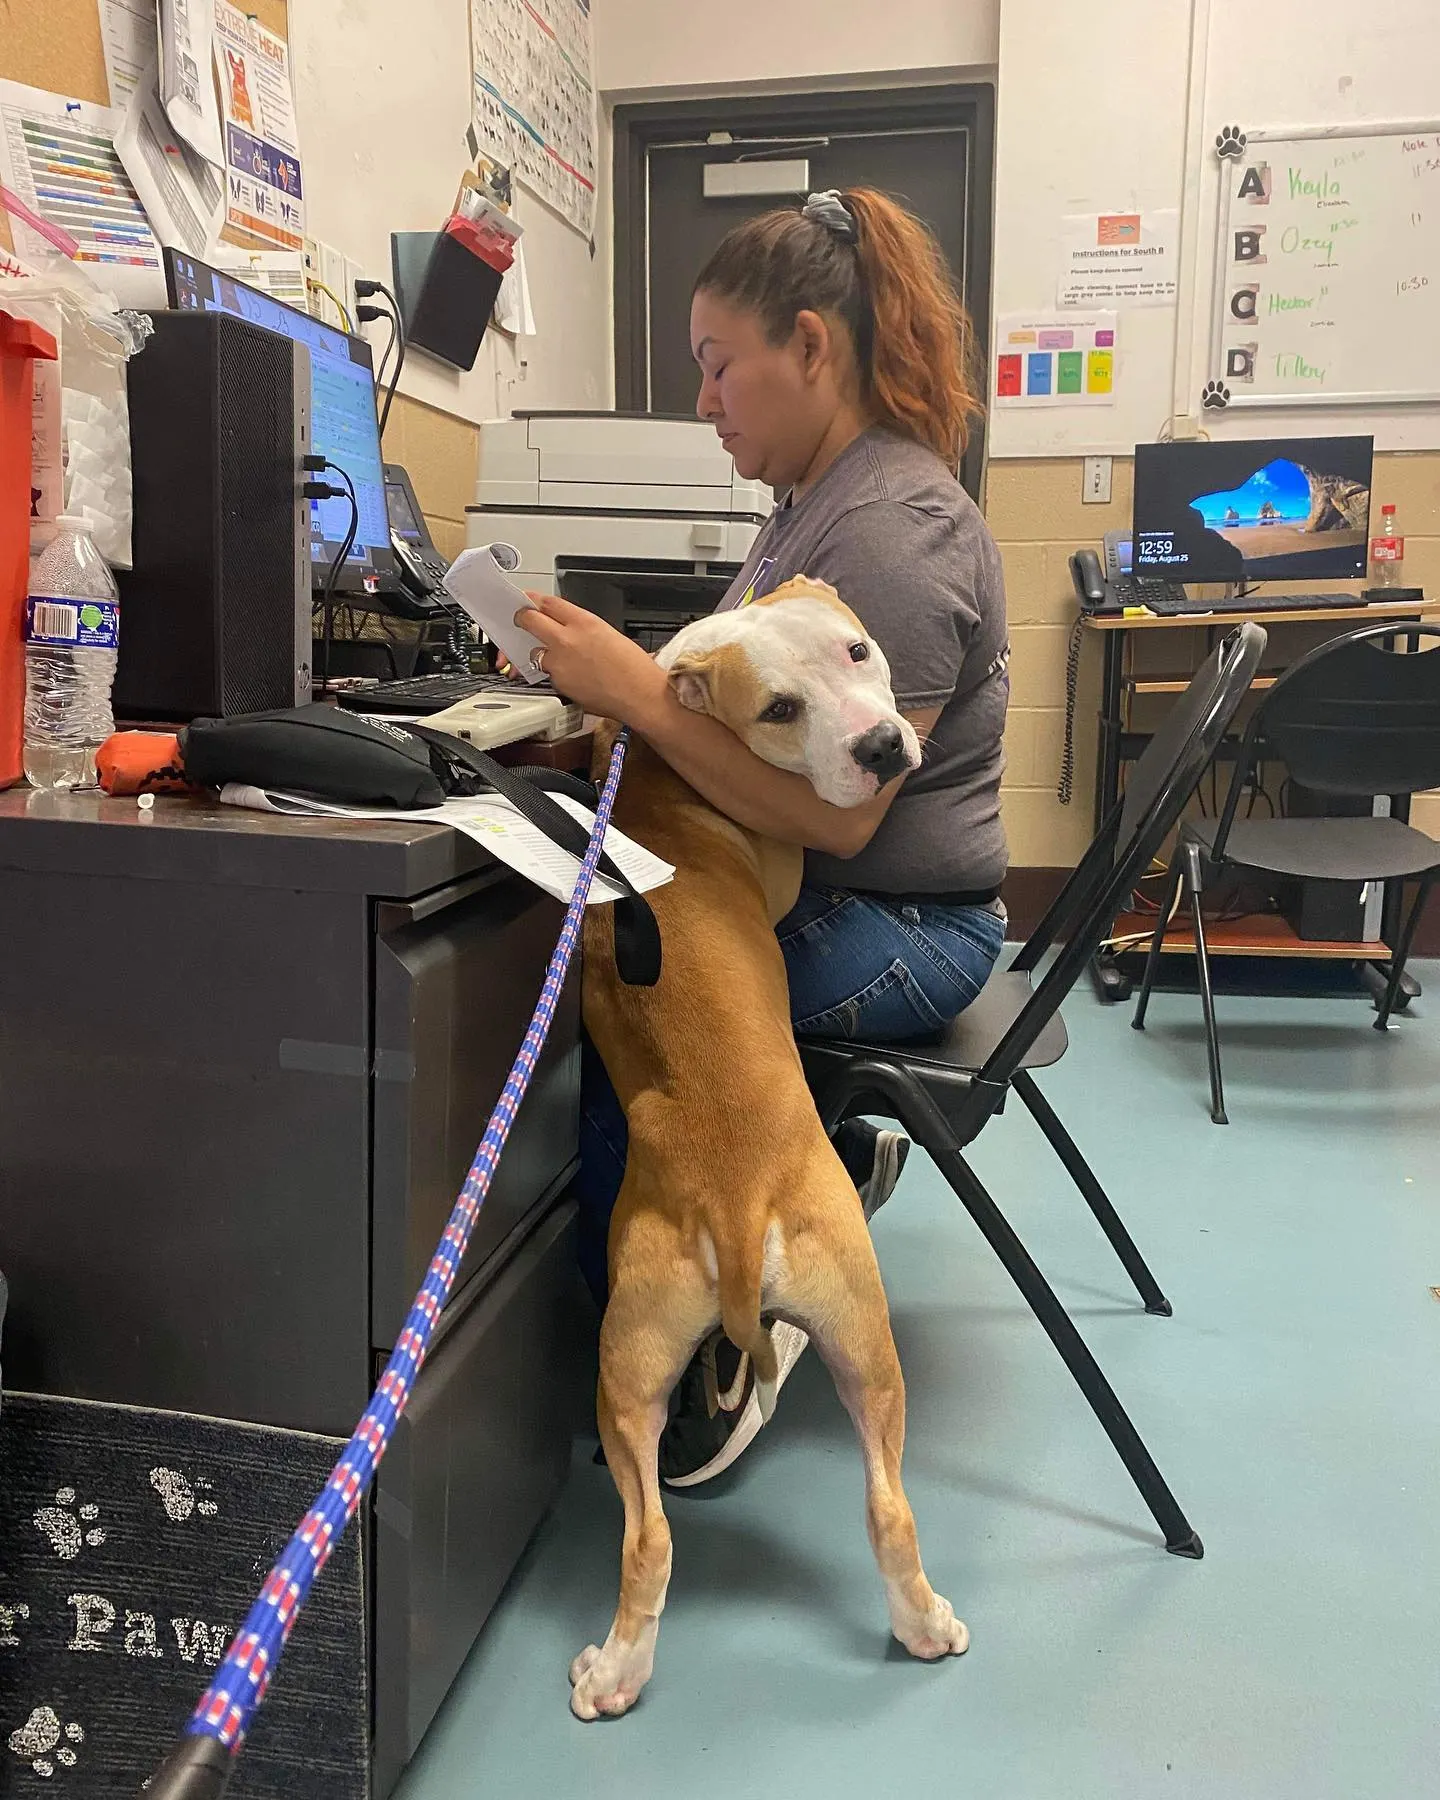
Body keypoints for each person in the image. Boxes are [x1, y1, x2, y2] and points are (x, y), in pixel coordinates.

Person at [520, 186, 1010, 1486]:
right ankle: (807, 1174)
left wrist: (629, 692)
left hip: (908, 923)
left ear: (812, 346)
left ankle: (700, 1359)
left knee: (645, 1000)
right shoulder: (814, 506)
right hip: (837, 891)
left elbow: (836, 817)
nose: (706, 400)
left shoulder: (889, 533)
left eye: (718, 364)